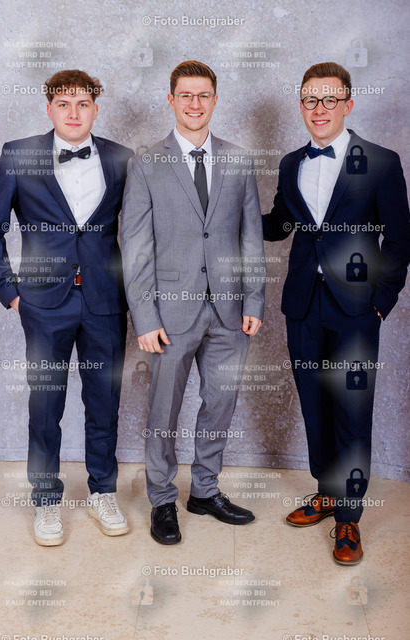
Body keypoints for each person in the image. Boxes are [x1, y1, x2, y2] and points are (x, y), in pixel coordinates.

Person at [263, 62, 410, 564]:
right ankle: (326, 492)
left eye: (329, 99)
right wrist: (224, 216)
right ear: (301, 105)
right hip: (303, 305)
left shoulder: (382, 162)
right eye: (310, 99)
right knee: (314, 405)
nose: (319, 108)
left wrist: (381, 303)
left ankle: (349, 517)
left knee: (352, 411)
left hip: (357, 310)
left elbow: (400, 238)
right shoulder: (290, 163)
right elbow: (280, 223)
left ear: (348, 103)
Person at [0, 70, 134, 546]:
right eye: (64, 104)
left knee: (104, 402)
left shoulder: (122, 158)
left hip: (105, 302)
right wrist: (9, 291)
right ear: (49, 109)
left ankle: (103, 491)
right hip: (44, 303)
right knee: (45, 405)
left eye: (83, 104)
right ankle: (46, 498)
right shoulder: (18, 154)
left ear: (95, 110)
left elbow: (140, 230)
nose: (73, 112)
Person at [122, 60, 266, 545]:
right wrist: (145, 316)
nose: (195, 103)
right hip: (169, 314)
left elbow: (251, 238)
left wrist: (254, 300)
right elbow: (135, 247)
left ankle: (204, 490)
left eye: (204, 94)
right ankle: (162, 499)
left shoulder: (239, 160)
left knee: (220, 404)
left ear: (215, 100)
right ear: (171, 100)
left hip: (230, 312)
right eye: (185, 94)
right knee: (163, 411)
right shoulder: (146, 162)